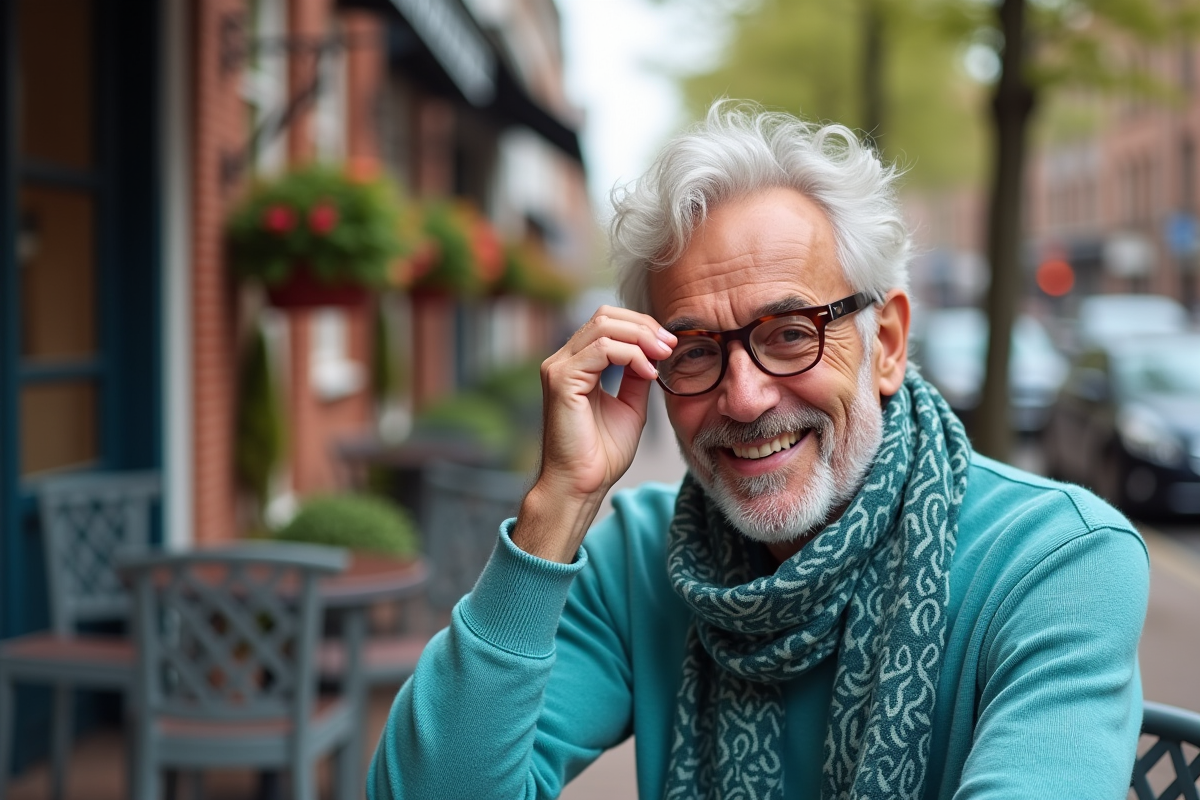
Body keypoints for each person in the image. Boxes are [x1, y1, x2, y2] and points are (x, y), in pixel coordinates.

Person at [369, 102, 1148, 800]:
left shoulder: (1059, 563)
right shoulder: (639, 560)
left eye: (789, 334)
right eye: (696, 351)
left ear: (888, 345)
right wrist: (556, 507)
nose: (744, 399)